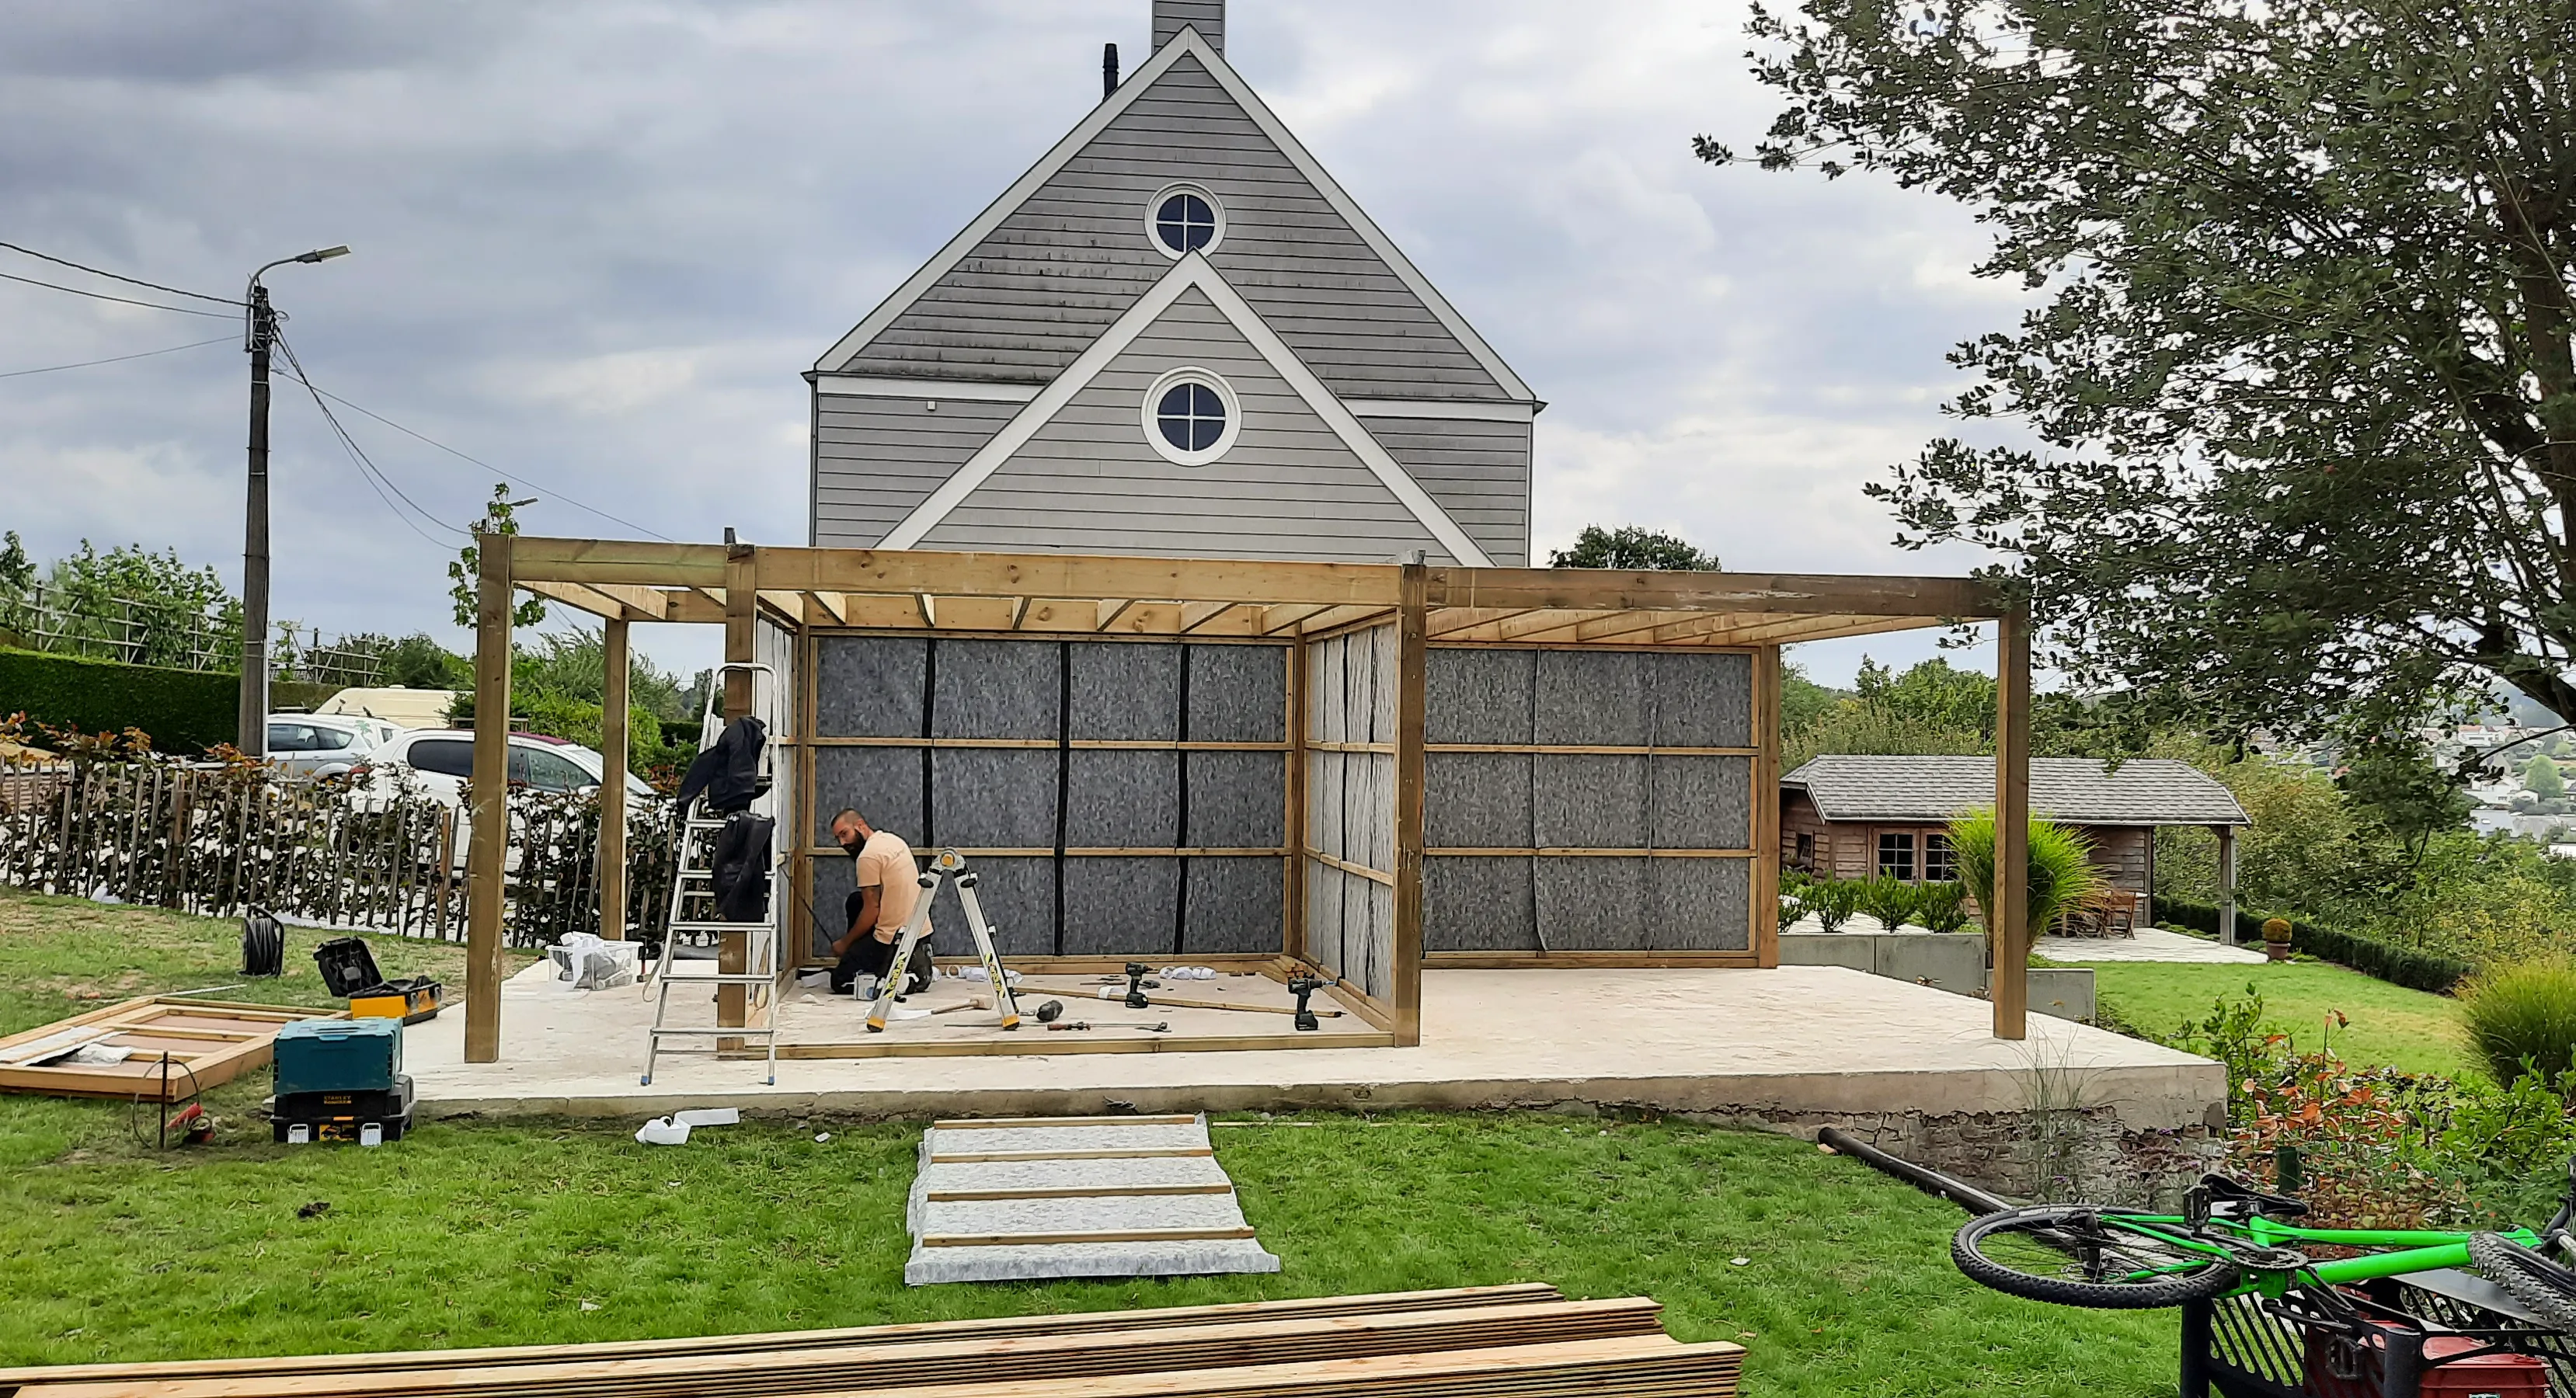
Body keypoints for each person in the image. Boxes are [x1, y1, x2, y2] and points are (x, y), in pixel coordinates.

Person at [827, 807, 930, 997]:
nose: (842, 843)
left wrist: (844, 944)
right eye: (838, 838)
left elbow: (872, 910)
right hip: (919, 929)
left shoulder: (867, 856)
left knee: (840, 981)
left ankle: (898, 977)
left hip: (893, 938)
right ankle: (913, 957)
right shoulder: (891, 840)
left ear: (860, 825)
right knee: (855, 900)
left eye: (845, 834)